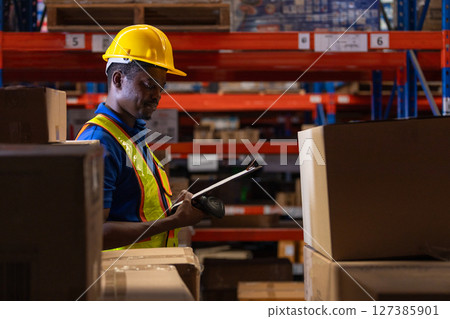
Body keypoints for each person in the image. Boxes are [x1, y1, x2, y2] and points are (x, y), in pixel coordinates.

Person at [76, 24, 205, 250]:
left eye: (161, 87)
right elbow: (91, 233)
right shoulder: (101, 142)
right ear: (118, 80)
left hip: (143, 273)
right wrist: (173, 222)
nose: (157, 96)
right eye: (148, 85)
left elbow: (133, 209)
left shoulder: (131, 135)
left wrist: (171, 207)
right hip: (119, 279)